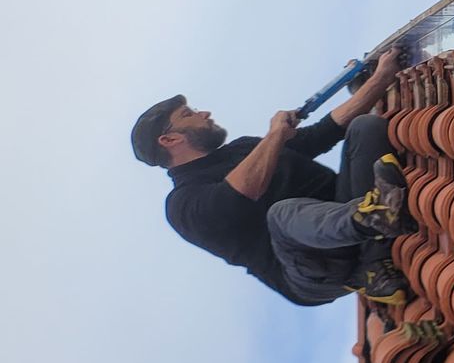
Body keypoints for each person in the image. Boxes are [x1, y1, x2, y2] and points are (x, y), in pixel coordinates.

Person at [130, 49, 414, 308]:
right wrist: (275, 135)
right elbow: (238, 196)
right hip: (313, 269)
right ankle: (372, 219)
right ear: (170, 139)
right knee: (281, 214)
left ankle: (376, 258)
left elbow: (324, 132)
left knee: (365, 126)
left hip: (349, 223)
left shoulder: (244, 147)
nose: (204, 113)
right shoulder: (183, 204)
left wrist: (379, 80)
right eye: (188, 114)